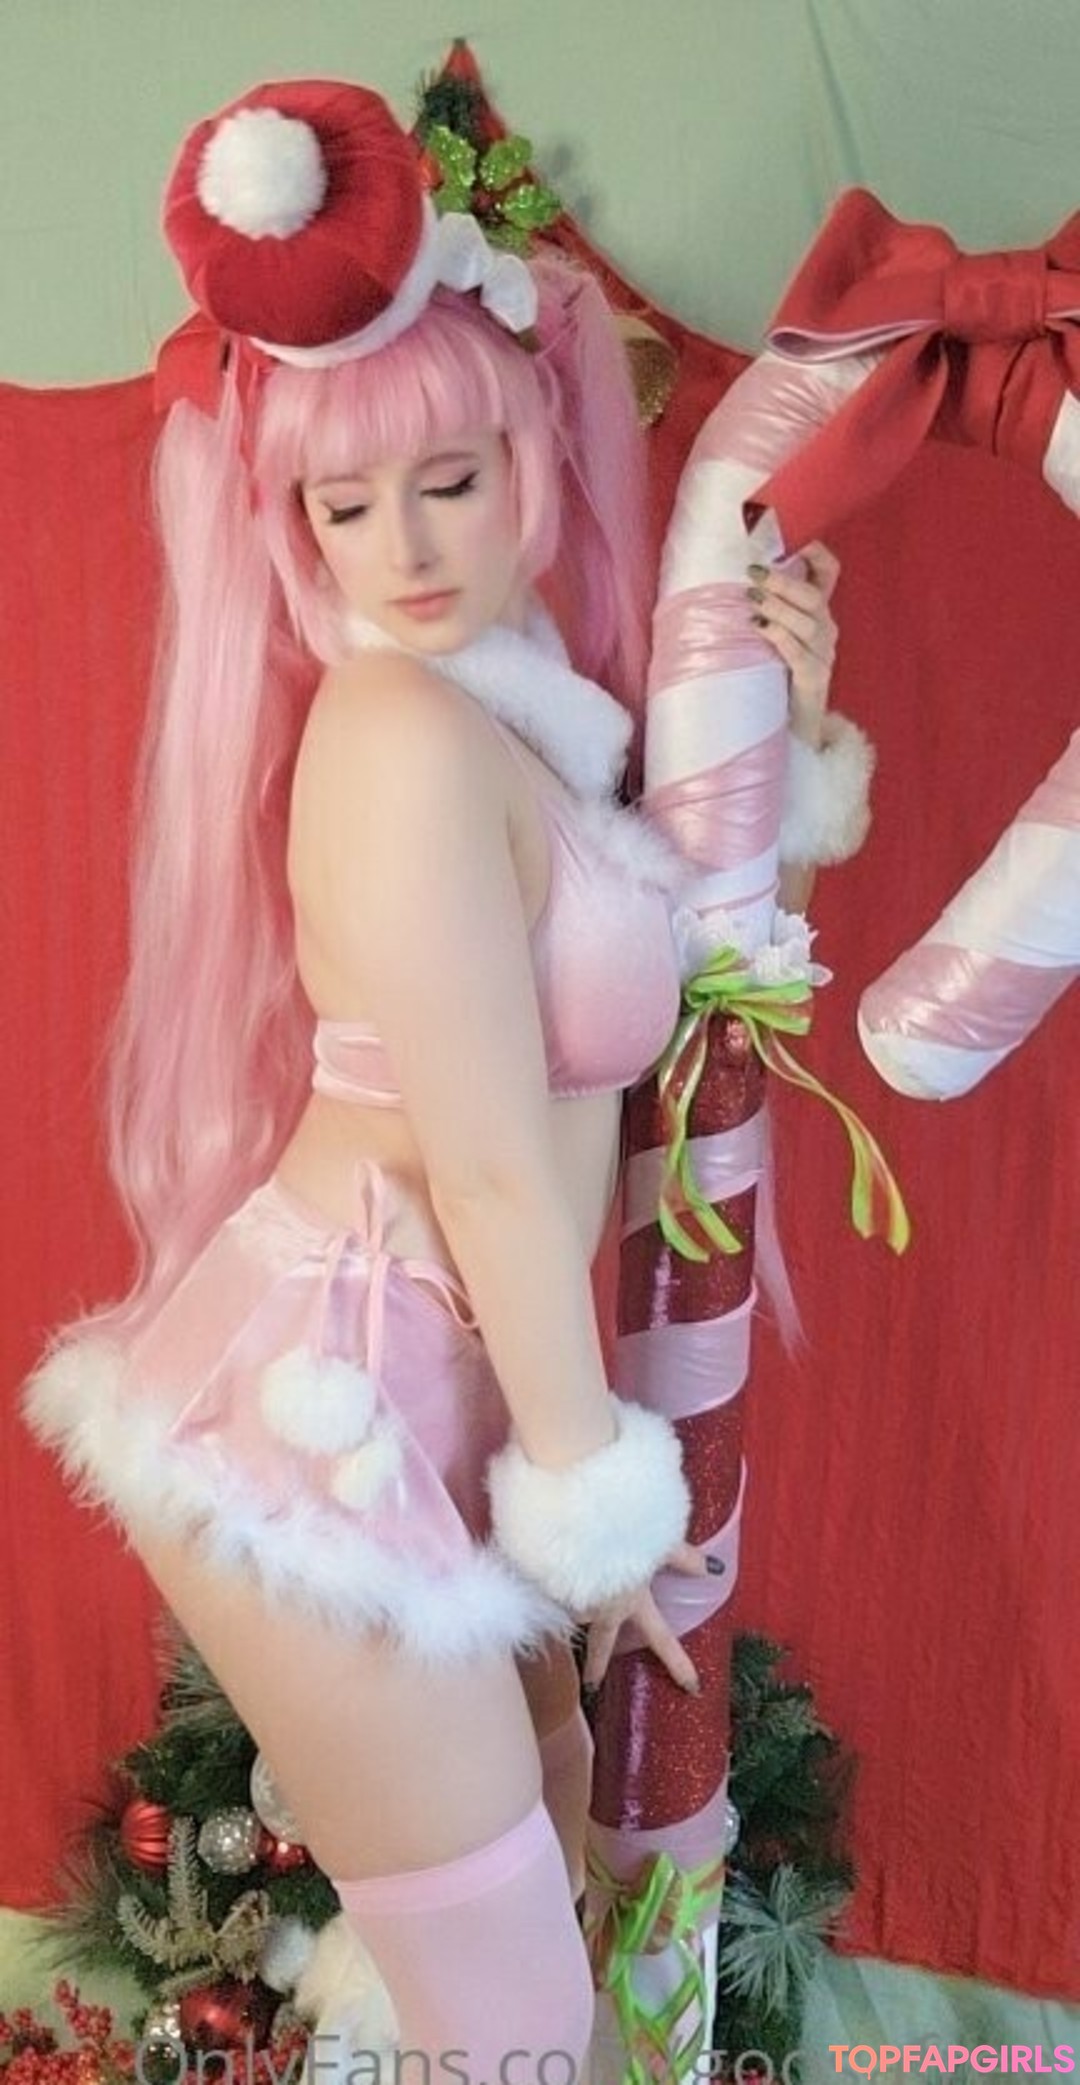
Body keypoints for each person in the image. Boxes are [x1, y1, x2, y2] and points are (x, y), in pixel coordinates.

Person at [24, 78, 859, 2075]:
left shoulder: (535, 723)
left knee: (542, 1913)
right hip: (334, 1420)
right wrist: (606, 1517)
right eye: (345, 505)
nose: (399, 548)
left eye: (449, 482)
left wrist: (788, 744)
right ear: (293, 519)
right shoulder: (399, 735)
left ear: (533, 455)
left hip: (466, 1412)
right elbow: (488, 1165)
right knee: (516, 2024)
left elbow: (684, 1013)